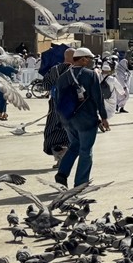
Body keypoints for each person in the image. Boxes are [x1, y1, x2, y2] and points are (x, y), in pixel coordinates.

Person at [53, 47, 110, 187]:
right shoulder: (90, 75)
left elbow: (57, 100)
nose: (91, 61)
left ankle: (62, 174)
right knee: (86, 151)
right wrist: (104, 117)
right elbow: (98, 98)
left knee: (74, 146)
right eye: (89, 58)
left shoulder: (62, 77)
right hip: (86, 121)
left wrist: (61, 120)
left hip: (68, 120)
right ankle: (81, 183)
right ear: (83, 59)